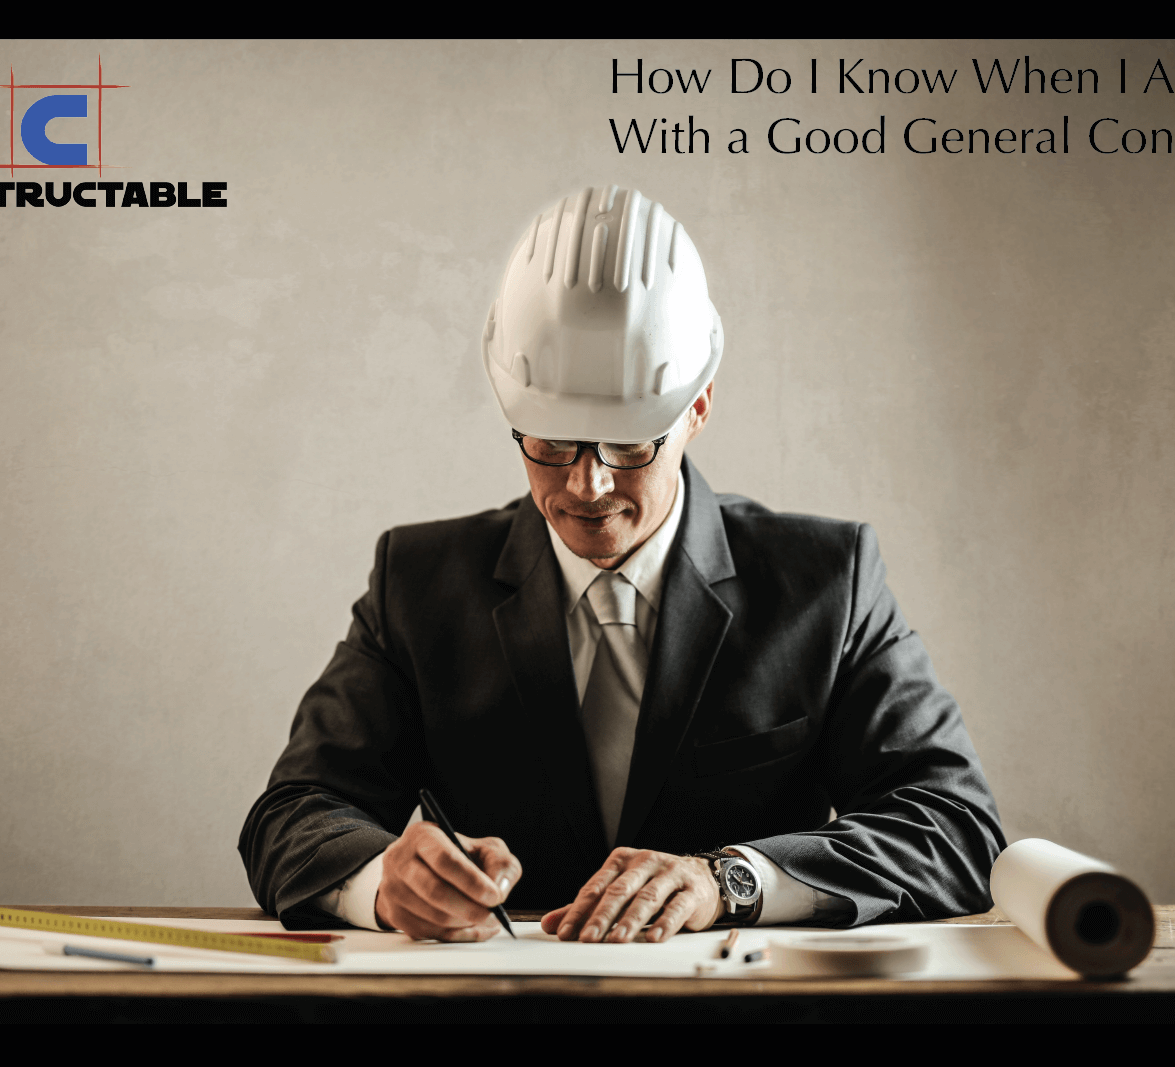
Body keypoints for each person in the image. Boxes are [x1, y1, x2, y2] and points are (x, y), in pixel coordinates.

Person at [239, 185, 1004, 943]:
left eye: (631, 445)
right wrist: (383, 882)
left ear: (697, 409)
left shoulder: (826, 581)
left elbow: (957, 825)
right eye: (549, 442)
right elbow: (292, 815)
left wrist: (728, 880)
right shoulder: (418, 582)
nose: (587, 485)